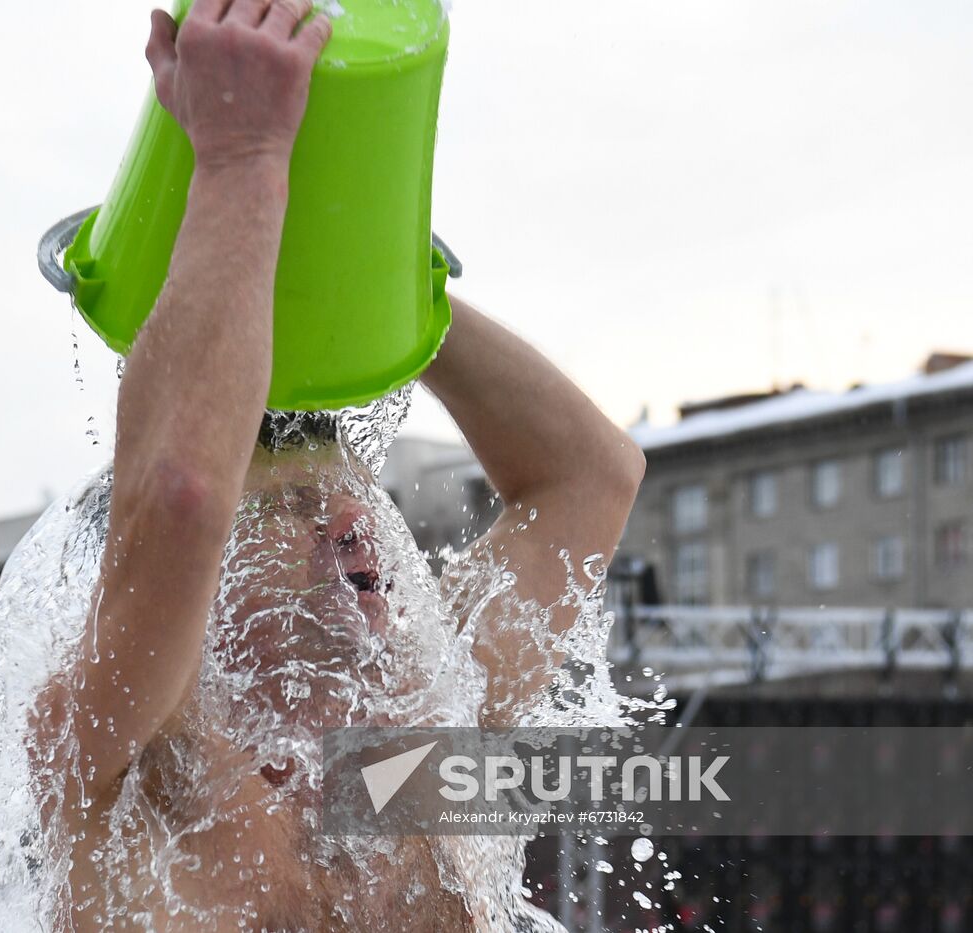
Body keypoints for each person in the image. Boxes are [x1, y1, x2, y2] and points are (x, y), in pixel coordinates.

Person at [37, 0, 646, 929]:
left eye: (357, 503)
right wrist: (241, 165)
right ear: (209, 578)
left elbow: (592, 476)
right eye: (296, 515)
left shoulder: (415, 761)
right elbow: (182, 491)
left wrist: (383, 287)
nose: (352, 533)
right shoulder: (119, 762)